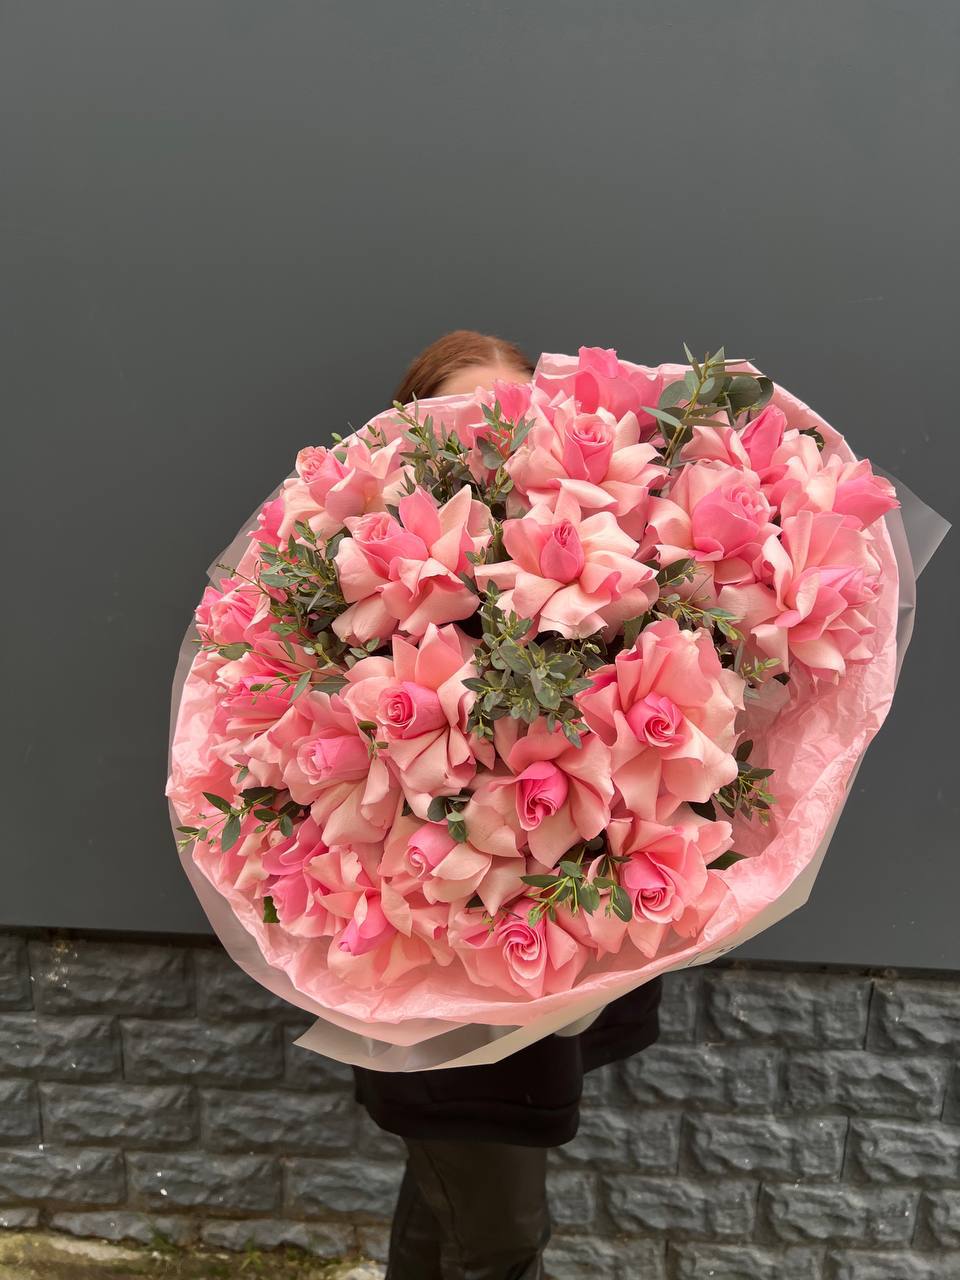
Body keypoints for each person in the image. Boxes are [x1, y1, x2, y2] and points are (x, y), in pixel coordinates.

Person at [352, 329, 664, 1280]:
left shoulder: (609, 560)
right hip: (437, 959)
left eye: (516, 417)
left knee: (455, 1208)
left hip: (538, 956)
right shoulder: (360, 585)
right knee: (501, 1242)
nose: (493, 439)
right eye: (463, 419)